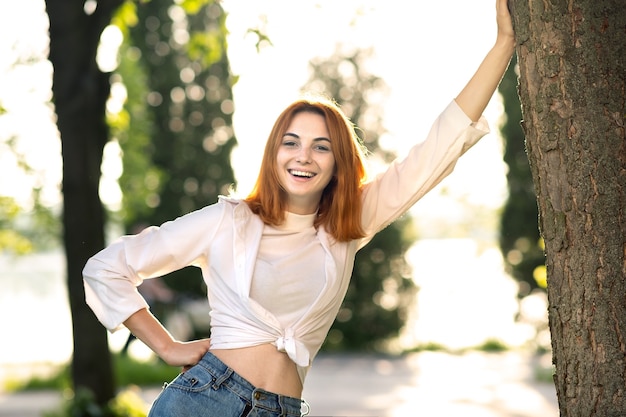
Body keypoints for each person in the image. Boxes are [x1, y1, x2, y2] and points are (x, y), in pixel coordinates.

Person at [83, 1, 515, 416]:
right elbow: (107, 268)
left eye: (320, 147)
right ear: (273, 154)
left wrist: (504, 44)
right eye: (291, 143)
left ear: (338, 163)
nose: (303, 156)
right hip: (204, 403)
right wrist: (167, 346)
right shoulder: (228, 221)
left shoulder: (348, 224)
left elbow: (437, 148)